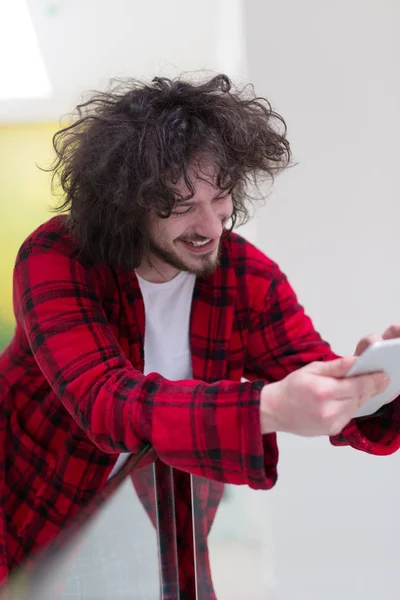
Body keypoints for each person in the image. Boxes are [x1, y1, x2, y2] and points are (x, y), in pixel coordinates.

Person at [0, 73, 399, 599]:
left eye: (222, 195)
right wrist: (270, 406)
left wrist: (373, 381)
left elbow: (310, 372)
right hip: (28, 502)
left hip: (161, 514)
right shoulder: (56, 257)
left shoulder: (246, 276)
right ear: (125, 201)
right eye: (182, 204)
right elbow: (105, 403)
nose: (211, 225)